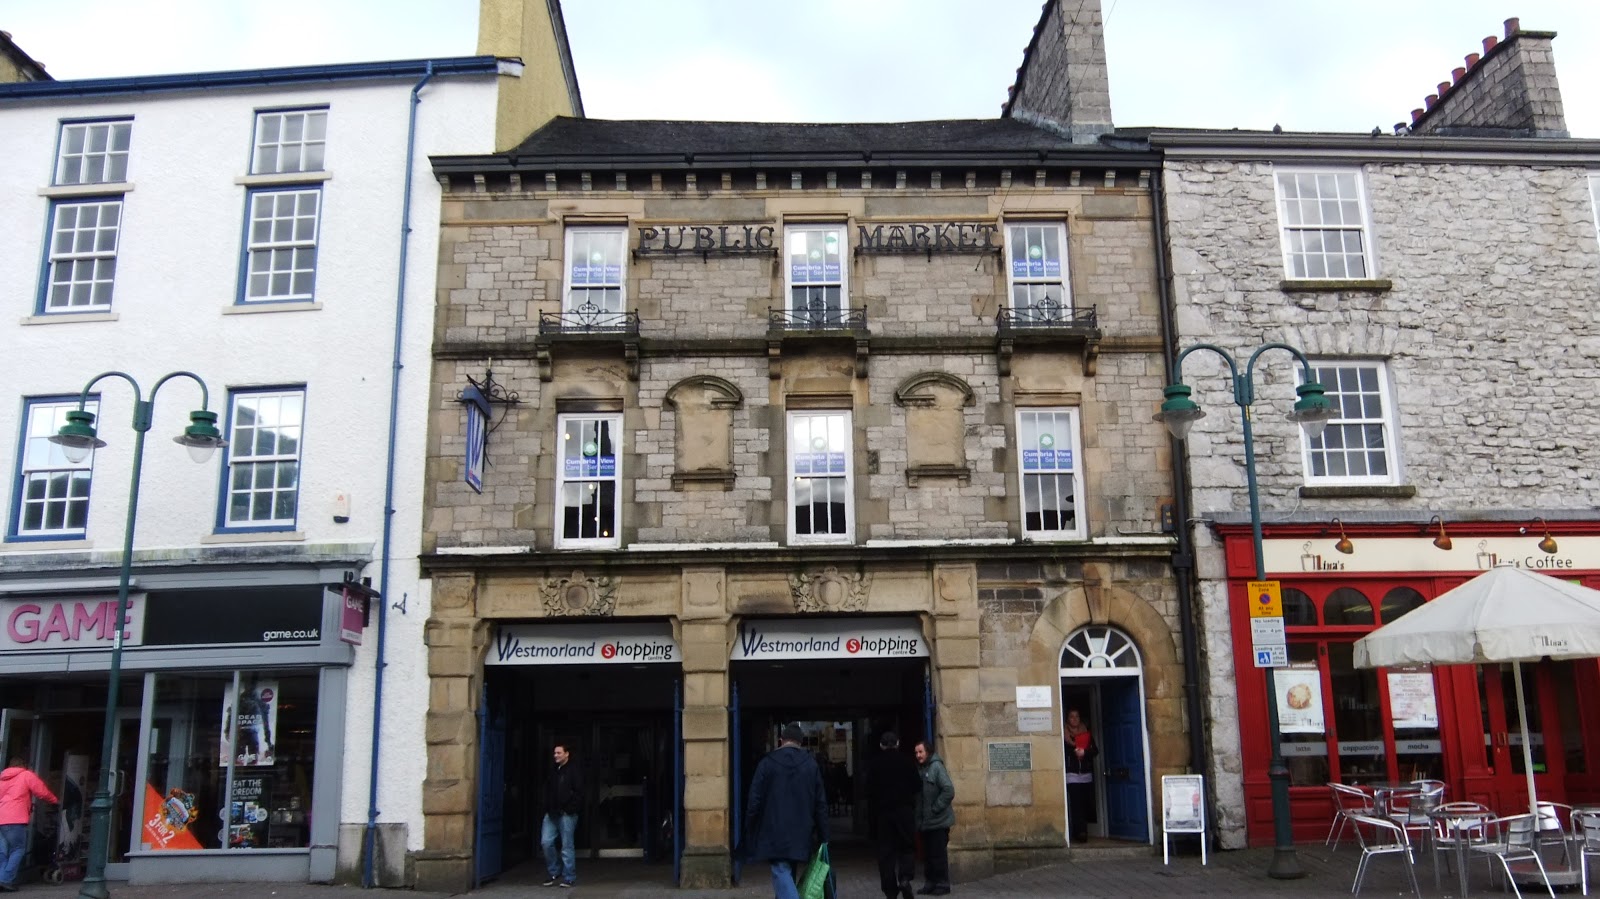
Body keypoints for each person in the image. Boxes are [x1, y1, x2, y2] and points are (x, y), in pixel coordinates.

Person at [743, 723, 829, 899]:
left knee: (780, 870)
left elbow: (754, 800)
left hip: (774, 829)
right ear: (800, 742)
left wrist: (750, 826)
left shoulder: (767, 763)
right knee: (788, 873)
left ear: (781, 741)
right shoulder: (811, 765)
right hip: (802, 829)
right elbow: (820, 804)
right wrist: (823, 836)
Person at [868, 731, 920, 899]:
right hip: (904, 811)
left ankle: (890, 890)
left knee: (886, 853)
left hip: (884, 814)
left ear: (881, 745)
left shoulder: (874, 764)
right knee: (907, 848)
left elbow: (868, 791)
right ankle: (905, 878)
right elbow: (917, 786)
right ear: (897, 743)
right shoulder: (907, 762)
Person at [0, 757, 57, 892]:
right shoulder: (26, 775)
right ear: (23, 765)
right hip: (15, 819)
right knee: (18, 849)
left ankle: (2, 878)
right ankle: (5, 880)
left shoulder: (2, 778)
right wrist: (55, 800)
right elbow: (41, 791)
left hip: (1, 819)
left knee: (2, 852)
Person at [913, 740, 954, 896]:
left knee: (938, 856)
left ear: (928, 752)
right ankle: (930, 883)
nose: (918, 755)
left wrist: (936, 808)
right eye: (916, 752)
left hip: (938, 821)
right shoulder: (921, 769)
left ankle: (943, 884)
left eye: (920, 752)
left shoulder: (936, 767)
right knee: (928, 856)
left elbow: (948, 790)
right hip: (926, 823)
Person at [540, 743, 583, 888]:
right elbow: (546, 789)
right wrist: (546, 806)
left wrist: (570, 809)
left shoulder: (574, 771)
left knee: (567, 846)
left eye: (559, 753)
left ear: (567, 754)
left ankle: (569, 876)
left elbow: (579, 792)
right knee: (546, 842)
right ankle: (554, 871)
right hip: (551, 813)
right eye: (554, 753)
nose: (555, 755)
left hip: (567, 814)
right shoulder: (553, 770)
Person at [1063, 709, 1098, 843]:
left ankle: (1084, 830)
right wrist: (1074, 752)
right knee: (1076, 804)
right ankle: (1079, 832)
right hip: (1072, 774)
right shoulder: (1065, 734)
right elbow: (1063, 751)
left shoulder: (1086, 734)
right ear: (1068, 719)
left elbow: (1095, 751)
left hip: (1085, 773)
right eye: (1072, 717)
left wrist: (1085, 753)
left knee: (1086, 803)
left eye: (1077, 716)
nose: (1075, 719)